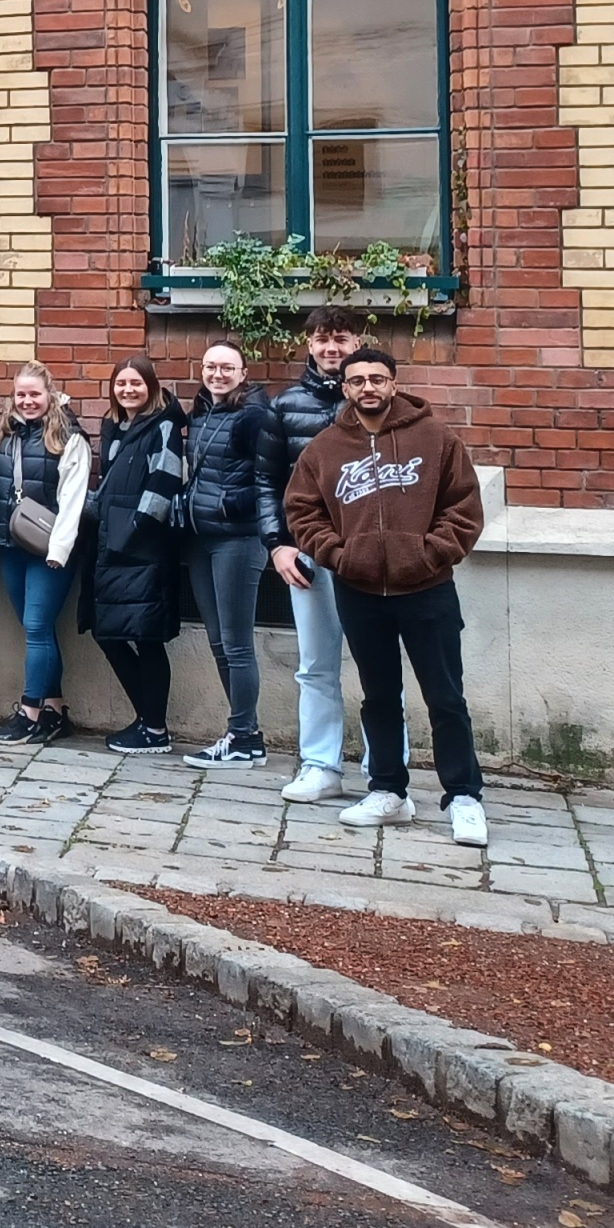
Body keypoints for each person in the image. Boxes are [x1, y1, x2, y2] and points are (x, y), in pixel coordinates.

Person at [280, 345, 491, 846]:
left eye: (377, 379)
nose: (368, 388)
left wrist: (427, 554)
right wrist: (340, 555)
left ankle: (464, 797)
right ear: (345, 388)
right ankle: (389, 792)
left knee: (445, 696)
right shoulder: (326, 448)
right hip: (359, 590)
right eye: (358, 381)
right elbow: (302, 511)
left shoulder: (436, 439)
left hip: (428, 589)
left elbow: (464, 508)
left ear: (394, 384)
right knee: (377, 697)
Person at [265, 307, 388, 804]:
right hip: (309, 557)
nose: (331, 348)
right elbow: (266, 481)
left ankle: (386, 770)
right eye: (321, 340)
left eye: (340, 338)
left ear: (357, 341)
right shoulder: (286, 405)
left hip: (371, 558)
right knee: (316, 666)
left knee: (380, 667)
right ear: (309, 345)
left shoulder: (385, 404)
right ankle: (321, 767)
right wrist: (277, 543)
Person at [181, 338, 279, 770]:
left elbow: (278, 476)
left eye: (226, 368)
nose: (216, 374)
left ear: (243, 374)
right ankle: (248, 737)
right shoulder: (202, 413)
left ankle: (241, 737)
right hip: (201, 539)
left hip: (237, 541)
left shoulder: (253, 416)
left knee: (237, 645)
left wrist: (236, 506)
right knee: (220, 643)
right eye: (209, 367)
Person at [0, 363, 91, 744]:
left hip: (49, 551)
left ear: (50, 395)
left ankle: (29, 713)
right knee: (38, 629)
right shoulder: (5, 433)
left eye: (35, 394)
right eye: (21, 394)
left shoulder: (69, 436)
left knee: (35, 628)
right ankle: (56, 709)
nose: (28, 401)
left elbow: (73, 498)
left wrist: (59, 551)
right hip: (11, 547)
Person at [85, 358, 188, 753]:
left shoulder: (163, 425)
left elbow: (163, 482)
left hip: (142, 548)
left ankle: (155, 729)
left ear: (151, 387)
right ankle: (146, 720)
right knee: (107, 632)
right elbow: (109, 485)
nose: (128, 390)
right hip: (111, 547)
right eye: (121, 383)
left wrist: (131, 531)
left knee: (146, 638)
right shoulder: (113, 428)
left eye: (136, 383)